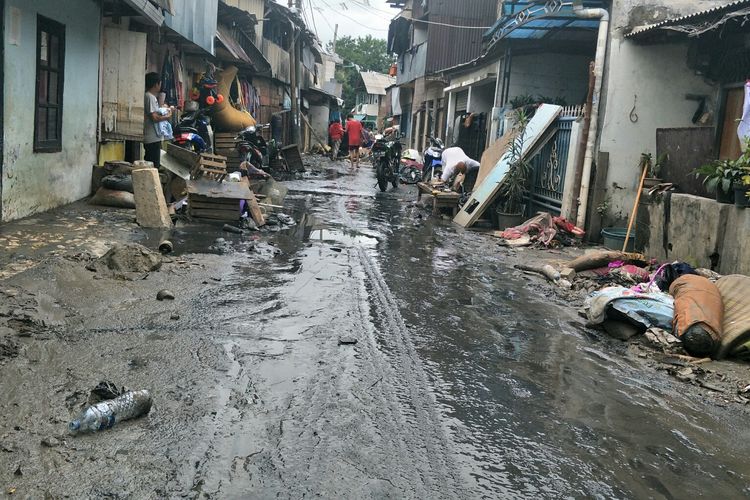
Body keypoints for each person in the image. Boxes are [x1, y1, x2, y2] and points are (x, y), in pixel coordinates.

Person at [144, 72, 173, 168]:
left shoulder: (151, 97)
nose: (160, 85)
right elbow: (154, 117)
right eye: (160, 83)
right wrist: (167, 117)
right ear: (156, 84)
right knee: (153, 164)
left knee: (153, 163)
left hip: (154, 137)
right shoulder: (149, 97)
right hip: (151, 137)